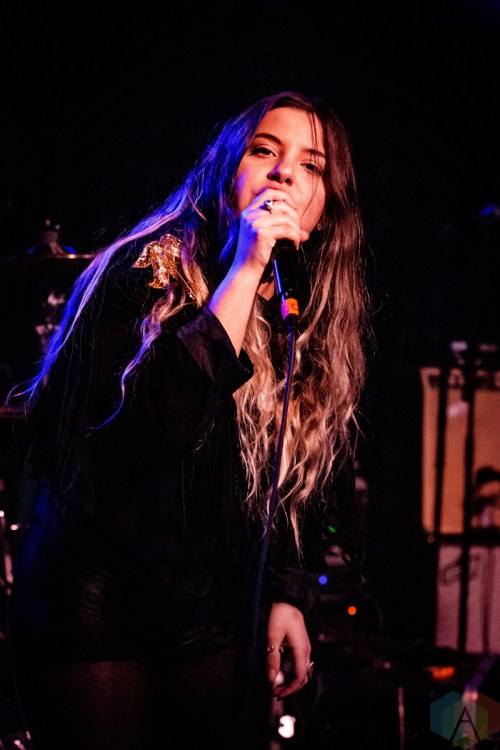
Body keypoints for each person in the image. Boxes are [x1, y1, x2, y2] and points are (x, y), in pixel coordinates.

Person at [5, 90, 370, 750]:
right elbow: (147, 434)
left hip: (211, 617)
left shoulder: (305, 312)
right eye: (264, 151)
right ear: (226, 174)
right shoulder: (142, 272)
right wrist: (246, 267)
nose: (285, 172)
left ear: (324, 210)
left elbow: (280, 480)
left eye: (312, 165)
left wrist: (285, 592)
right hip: (99, 608)